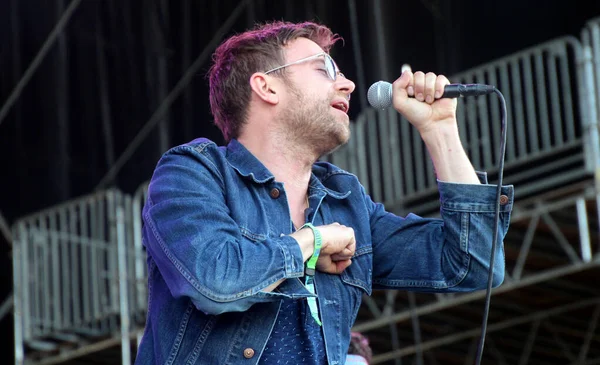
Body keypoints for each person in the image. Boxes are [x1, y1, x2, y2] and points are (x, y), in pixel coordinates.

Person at [134, 20, 513, 365]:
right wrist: (310, 243)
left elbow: (474, 264)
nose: (347, 84)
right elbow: (215, 282)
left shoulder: (345, 202)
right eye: (324, 69)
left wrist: (440, 130)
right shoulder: (193, 172)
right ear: (266, 86)